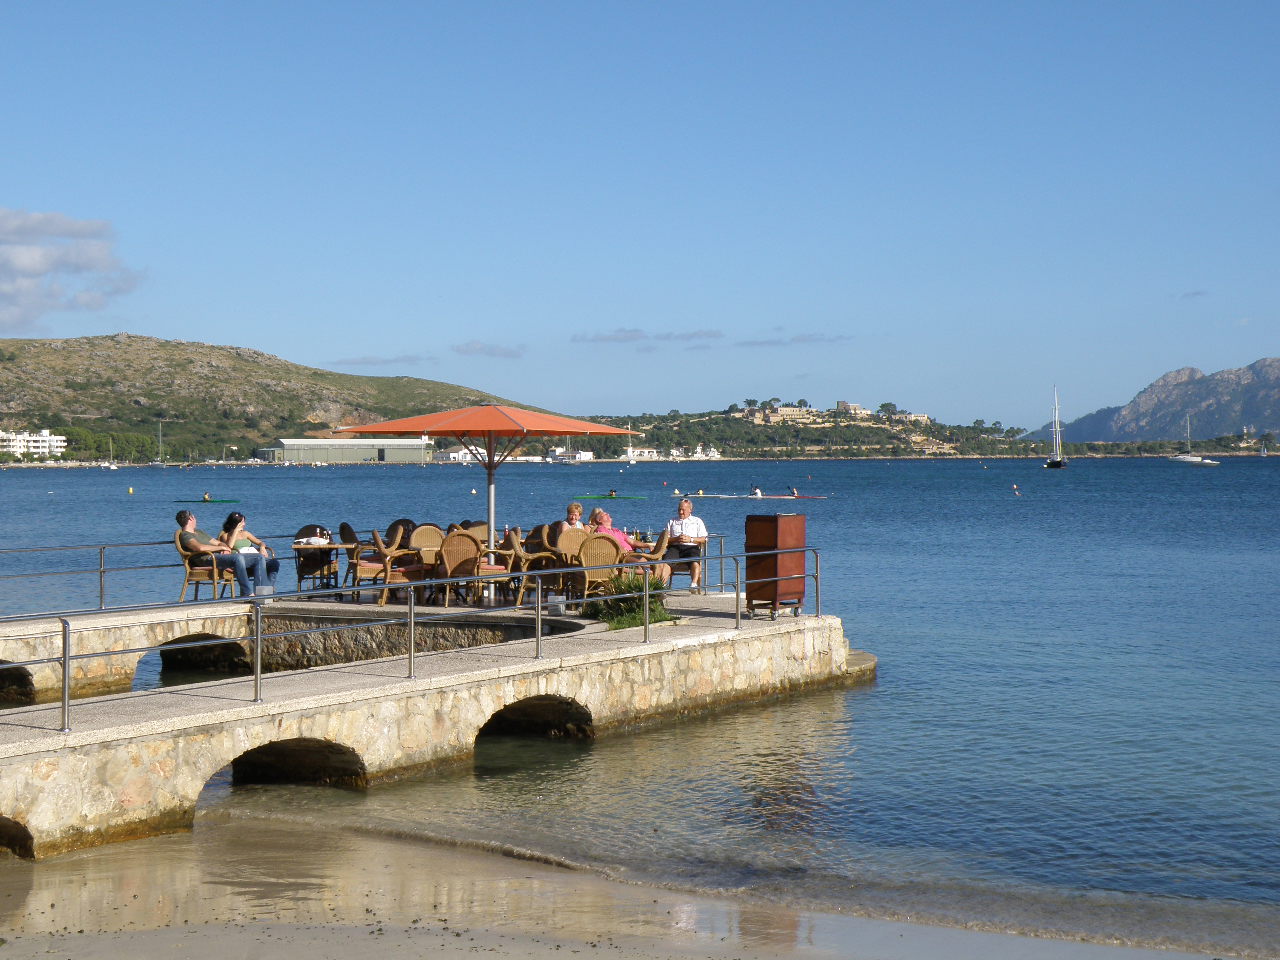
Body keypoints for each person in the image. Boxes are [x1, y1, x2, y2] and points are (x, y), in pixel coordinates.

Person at [175, 509, 275, 598]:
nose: (195, 519)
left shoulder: (199, 532)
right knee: (238, 558)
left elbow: (217, 542)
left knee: (258, 558)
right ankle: (247, 593)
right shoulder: (185, 535)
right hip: (208, 559)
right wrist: (220, 547)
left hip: (218, 556)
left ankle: (262, 595)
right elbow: (200, 547)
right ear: (191, 519)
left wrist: (224, 547)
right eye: (194, 517)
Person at [218, 511, 281, 594]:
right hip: (240, 561)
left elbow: (260, 542)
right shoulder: (225, 535)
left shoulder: (246, 533)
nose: (244, 524)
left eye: (244, 521)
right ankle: (261, 594)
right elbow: (229, 546)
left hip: (254, 558)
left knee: (274, 563)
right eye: (242, 522)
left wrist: (262, 547)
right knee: (259, 559)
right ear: (235, 523)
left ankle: (266, 592)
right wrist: (235, 531)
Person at [656, 498, 708, 591]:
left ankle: (694, 584)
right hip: (675, 547)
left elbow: (704, 539)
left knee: (695, 561)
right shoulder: (672, 521)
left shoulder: (697, 521)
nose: (680, 512)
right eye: (679, 509)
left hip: (691, 546)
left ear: (690, 510)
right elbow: (665, 539)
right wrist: (676, 538)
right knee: (667, 562)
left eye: (683, 510)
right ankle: (662, 587)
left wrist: (690, 539)